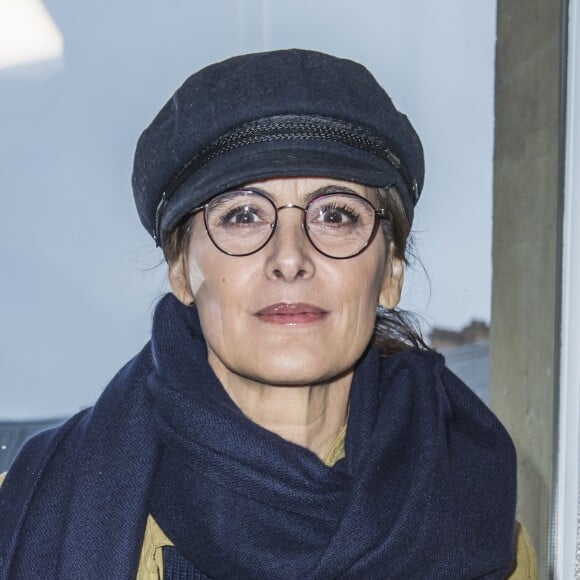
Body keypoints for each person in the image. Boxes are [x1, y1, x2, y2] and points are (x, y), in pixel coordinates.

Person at [0, 49, 536, 579]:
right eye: (243, 215)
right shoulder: (33, 506)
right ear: (182, 270)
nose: (289, 258)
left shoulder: (476, 525)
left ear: (390, 271)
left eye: (335, 214)